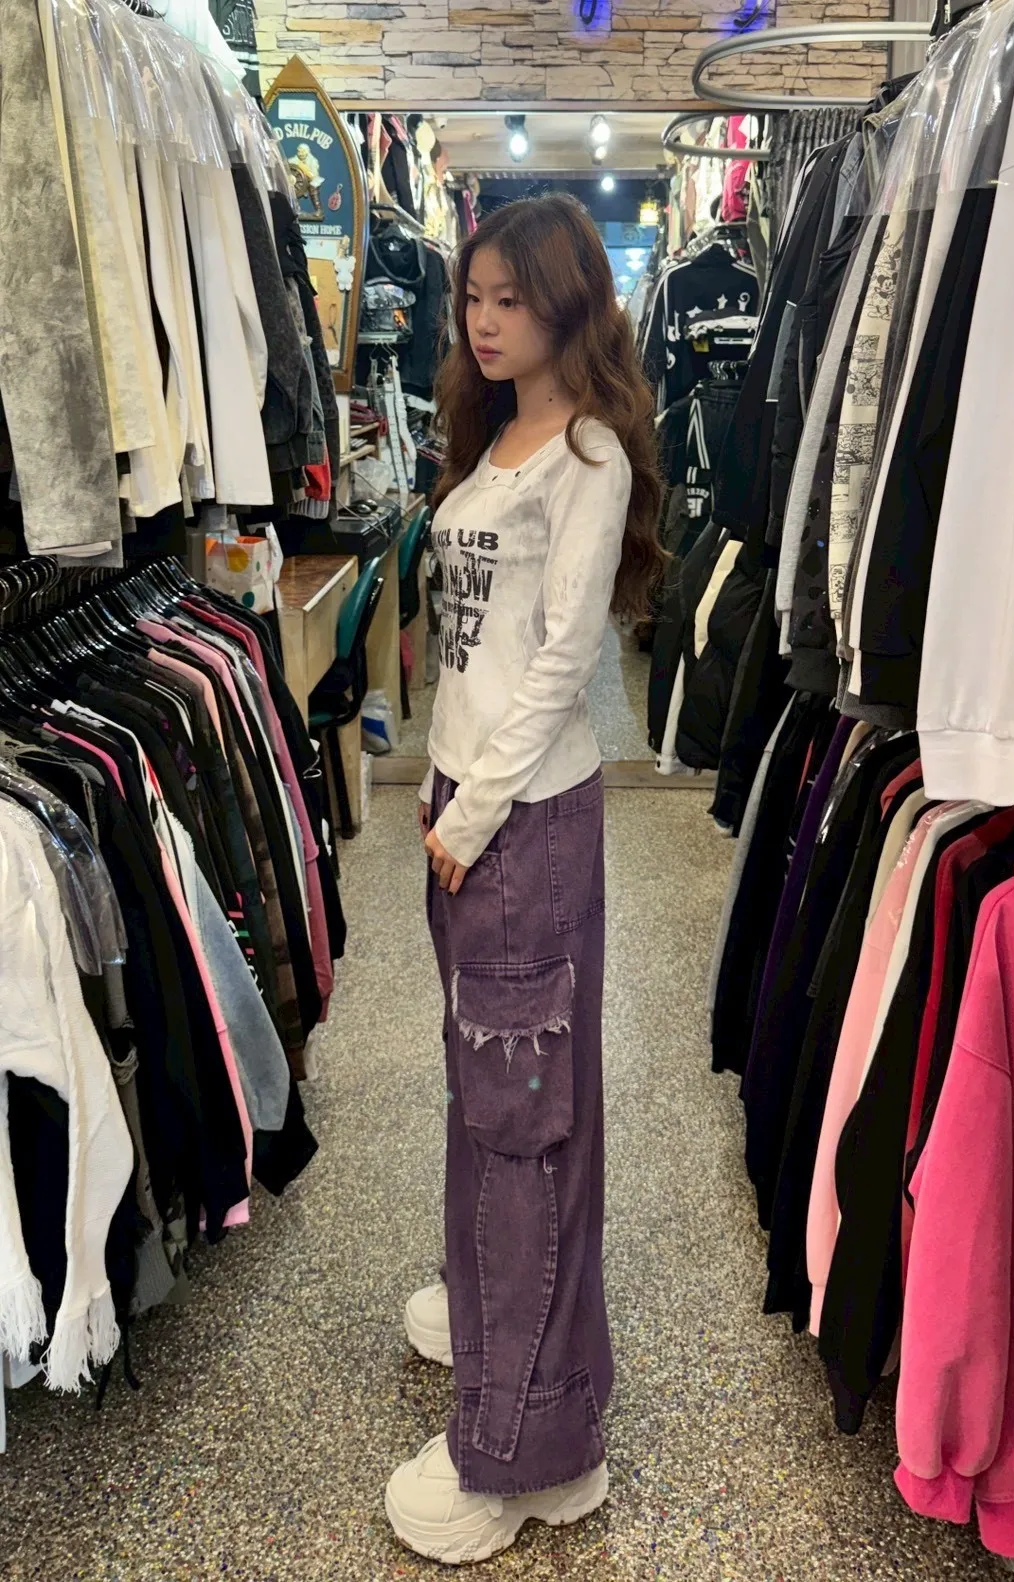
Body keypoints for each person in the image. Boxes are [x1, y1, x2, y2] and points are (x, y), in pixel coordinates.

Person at [384, 193, 663, 1564]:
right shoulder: (493, 436)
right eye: (473, 297)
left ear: (567, 304)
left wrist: (477, 805)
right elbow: (472, 648)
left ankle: (528, 1445)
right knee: (491, 1092)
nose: (483, 321)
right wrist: (446, 782)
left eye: (510, 298)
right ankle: (505, 1327)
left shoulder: (587, 454)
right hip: (468, 804)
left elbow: (563, 661)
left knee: (521, 1121)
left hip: (520, 820)